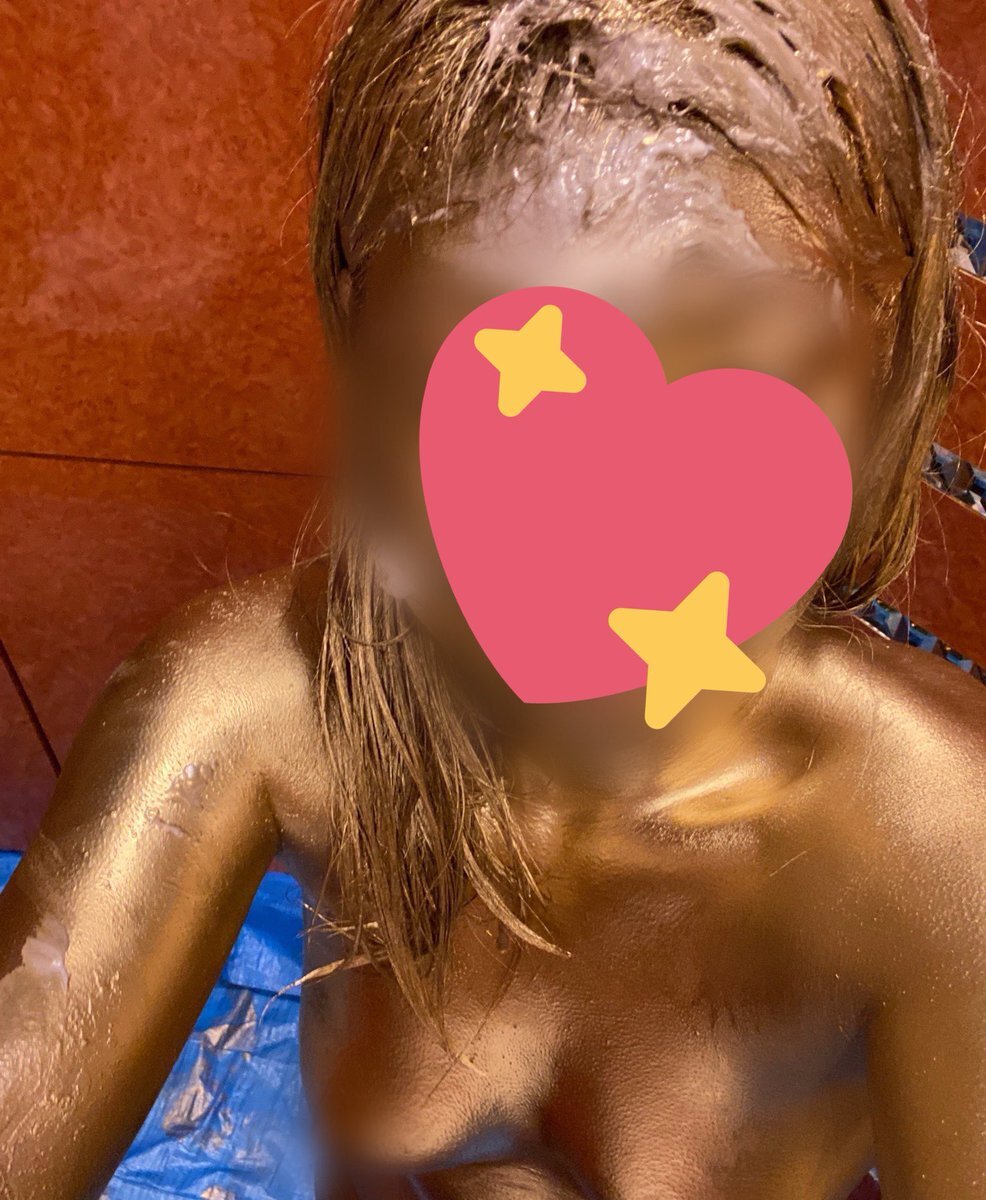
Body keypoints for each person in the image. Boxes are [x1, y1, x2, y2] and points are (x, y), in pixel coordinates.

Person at [2, 1, 984, 1196]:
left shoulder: (934, 836)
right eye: (508, 413)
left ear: (887, 390)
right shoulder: (262, 703)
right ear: (367, 332)